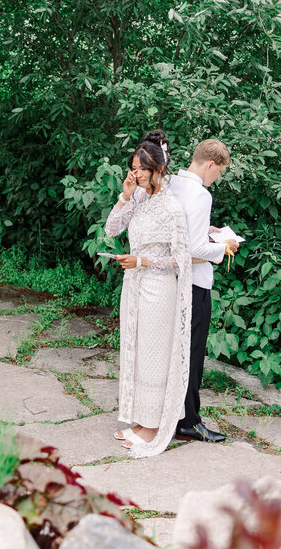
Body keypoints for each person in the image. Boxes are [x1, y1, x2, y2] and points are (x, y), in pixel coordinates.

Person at [103, 130, 193, 458]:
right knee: (138, 353)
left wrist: (141, 259)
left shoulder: (171, 206)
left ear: (158, 169)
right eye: (133, 168)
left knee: (154, 355)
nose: (135, 174)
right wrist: (125, 196)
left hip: (159, 287)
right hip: (135, 285)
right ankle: (142, 420)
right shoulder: (140, 199)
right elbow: (112, 229)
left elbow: (179, 258)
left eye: (140, 170)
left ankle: (155, 427)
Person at [167, 138, 238, 443]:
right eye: (219, 172)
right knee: (192, 354)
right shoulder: (200, 194)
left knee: (174, 352)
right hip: (194, 284)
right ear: (211, 164)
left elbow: (181, 232)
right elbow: (193, 248)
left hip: (169, 281)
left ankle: (170, 415)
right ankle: (189, 421)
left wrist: (207, 231)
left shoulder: (171, 183)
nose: (217, 178)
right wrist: (224, 245)